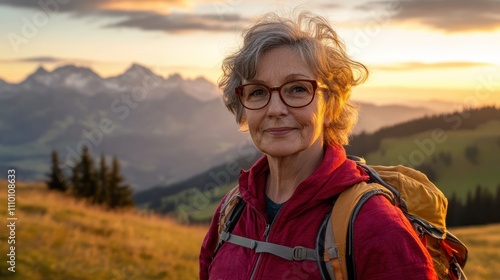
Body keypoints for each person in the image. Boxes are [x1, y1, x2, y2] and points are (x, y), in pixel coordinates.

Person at [199, 11, 437, 279]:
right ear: (242, 108)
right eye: (257, 91)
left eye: (298, 89)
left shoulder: (375, 225)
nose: (275, 109)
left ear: (331, 105)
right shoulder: (232, 211)